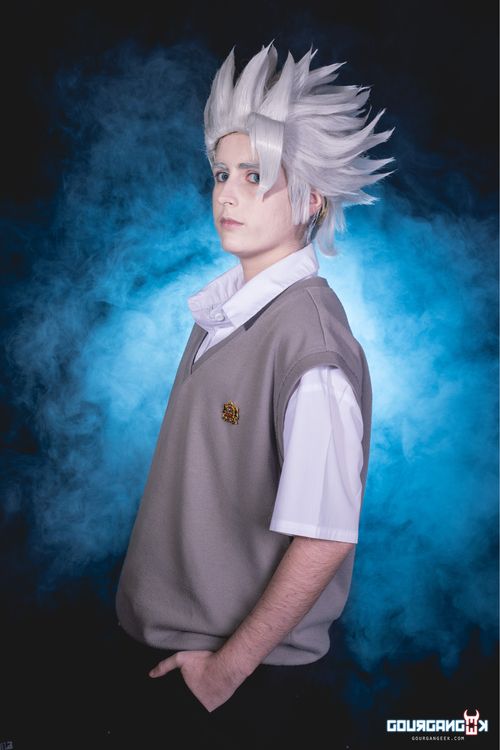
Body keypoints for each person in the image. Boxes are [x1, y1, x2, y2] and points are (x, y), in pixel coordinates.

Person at [110, 41, 394, 748]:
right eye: (221, 173)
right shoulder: (225, 310)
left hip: (241, 684)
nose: (227, 194)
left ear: (311, 197)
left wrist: (225, 673)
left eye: (255, 175)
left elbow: (325, 538)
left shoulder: (311, 346)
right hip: (170, 657)